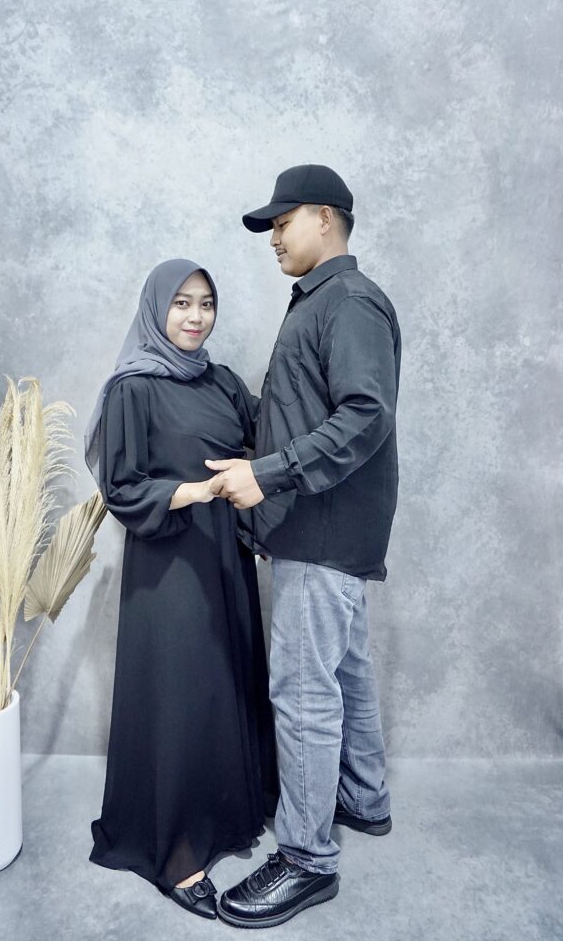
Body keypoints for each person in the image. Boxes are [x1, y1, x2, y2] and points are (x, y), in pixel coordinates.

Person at [206, 165, 401, 929]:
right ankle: (364, 799)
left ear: (324, 216)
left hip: (320, 532)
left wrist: (266, 473)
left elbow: (365, 415)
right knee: (345, 670)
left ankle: (307, 859)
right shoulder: (323, 301)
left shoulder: (347, 300)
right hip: (331, 530)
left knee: (303, 693)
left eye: (282, 222)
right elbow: (311, 411)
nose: (274, 239)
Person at [84, 258, 277, 921]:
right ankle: (175, 853)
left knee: (222, 686)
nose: (196, 317)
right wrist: (192, 491)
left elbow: (266, 442)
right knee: (178, 699)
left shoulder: (222, 382)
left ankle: (226, 817)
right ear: (156, 309)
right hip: (169, 565)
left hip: (225, 557)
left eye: (206, 303)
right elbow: (120, 486)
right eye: (182, 303)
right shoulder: (132, 388)